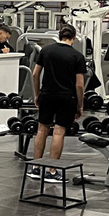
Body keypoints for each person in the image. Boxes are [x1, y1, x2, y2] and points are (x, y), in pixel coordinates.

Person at [31, 24, 86, 179]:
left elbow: (35, 74)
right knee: (59, 132)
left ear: (59, 36)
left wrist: (37, 94)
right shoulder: (77, 56)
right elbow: (80, 84)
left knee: (41, 130)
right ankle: (51, 171)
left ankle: (36, 168)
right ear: (73, 38)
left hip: (47, 95)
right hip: (66, 97)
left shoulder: (46, 51)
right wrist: (80, 105)